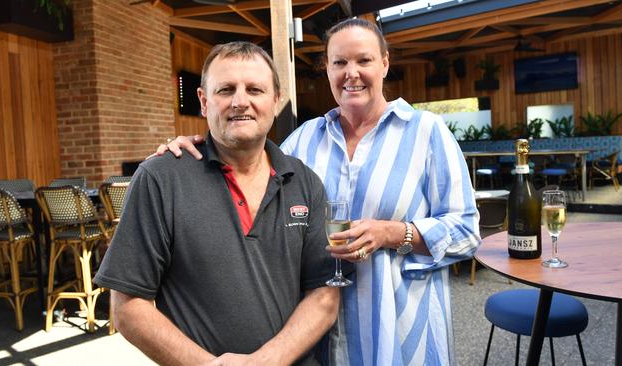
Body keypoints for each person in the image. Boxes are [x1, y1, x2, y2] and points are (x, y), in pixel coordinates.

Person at [157, 19, 480, 365]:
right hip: (320, 332)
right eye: (339, 62)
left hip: (400, 327)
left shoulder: (427, 133)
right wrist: (195, 146)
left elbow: (466, 230)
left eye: (364, 60)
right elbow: (245, 163)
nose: (351, 73)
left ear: (385, 63)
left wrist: (392, 233)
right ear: (327, 68)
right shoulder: (304, 139)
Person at [95, 41, 349, 366]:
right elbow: (127, 306)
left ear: (276, 100)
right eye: (226, 89)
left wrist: (266, 361)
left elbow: (325, 294)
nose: (240, 101)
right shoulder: (160, 179)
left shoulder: (305, 182)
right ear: (203, 101)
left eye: (254, 89)